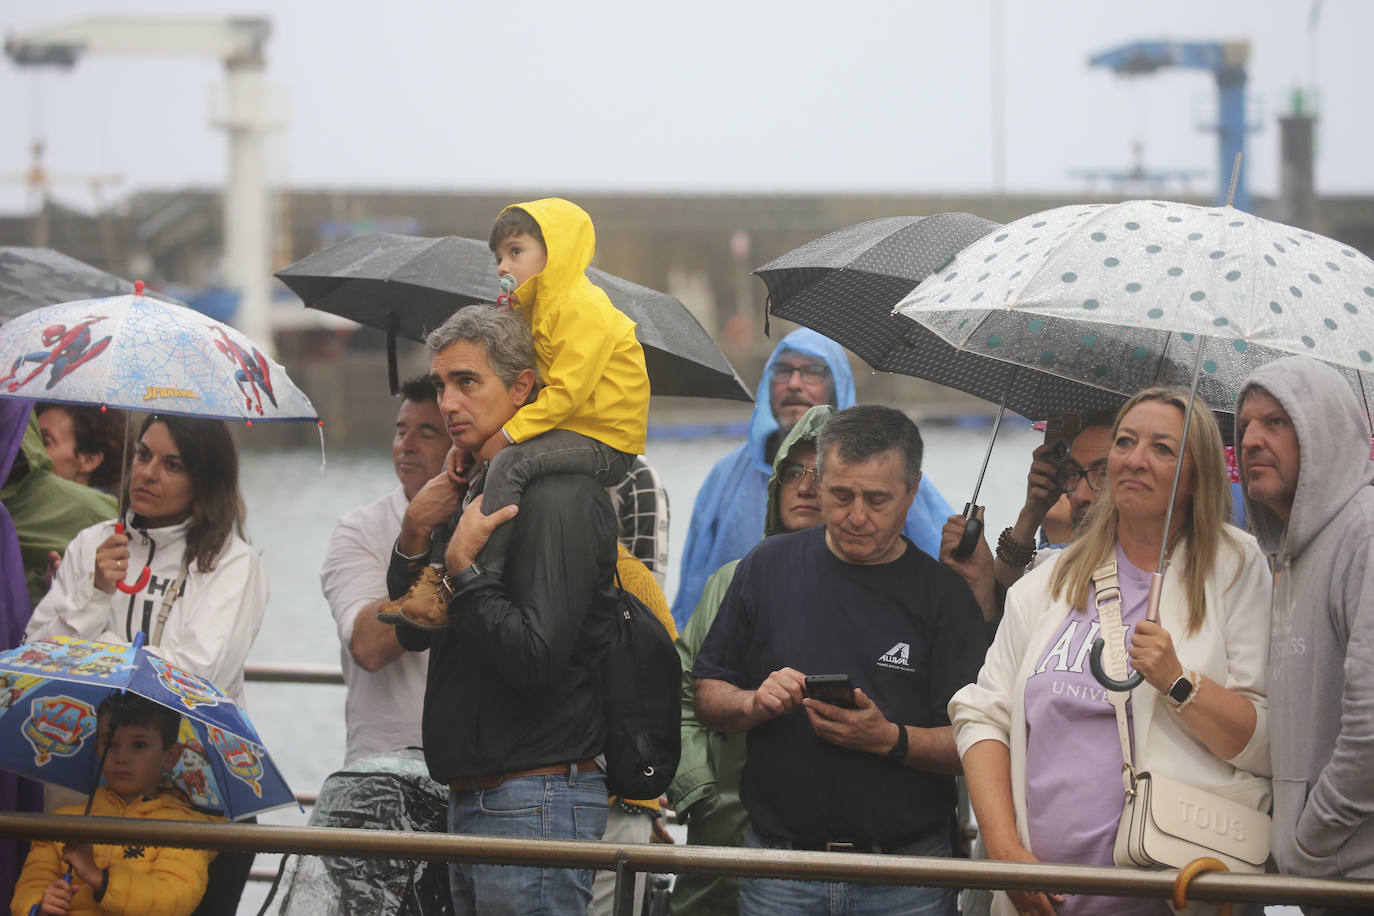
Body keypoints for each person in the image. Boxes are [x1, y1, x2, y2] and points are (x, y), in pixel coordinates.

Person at [950, 387, 1272, 916]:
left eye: (1163, 448)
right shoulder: (1050, 579)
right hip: (1043, 900)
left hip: (1179, 897)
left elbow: (1265, 745)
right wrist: (1006, 855)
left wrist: (1179, 683)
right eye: (1126, 441)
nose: (1136, 459)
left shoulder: (1236, 567)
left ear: (1199, 474)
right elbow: (983, 716)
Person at [693, 404, 987, 915]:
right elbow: (707, 694)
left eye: (877, 500)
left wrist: (890, 739)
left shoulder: (943, 597)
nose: (856, 516)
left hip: (906, 875)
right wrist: (753, 703)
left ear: (912, 492)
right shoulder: (766, 566)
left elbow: (975, 747)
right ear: (818, 484)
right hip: (781, 868)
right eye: (841, 495)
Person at [388, 305, 618, 914]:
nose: (448, 402)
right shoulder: (476, 486)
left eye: (467, 381)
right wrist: (415, 530)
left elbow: (536, 659)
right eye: (441, 385)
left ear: (523, 387)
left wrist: (464, 572)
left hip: (536, 795)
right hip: (480, 794)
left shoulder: (558, 494)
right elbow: (412, 634)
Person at [24, 413, 267, 916]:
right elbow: (41, 659)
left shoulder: (231, 563)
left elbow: (192, 678)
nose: (148, 472)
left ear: (203, 479)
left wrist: (98, 643)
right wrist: (94, 595)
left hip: (191, 797)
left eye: (171, 464)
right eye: (143, 454)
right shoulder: (92, 544)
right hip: (86, 785)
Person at [392, 199, 648, 627]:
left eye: (515, 251)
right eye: (498, 257)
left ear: (556, 251)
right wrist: (418, 523)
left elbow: (564, 392)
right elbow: (411, 642)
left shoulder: (580, 308)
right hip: (573, 427)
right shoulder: (539, 310)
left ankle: (465, 578)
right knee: (497, 460)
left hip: (605, 435)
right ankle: (432, 579)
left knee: (512, 459)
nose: (502, 266)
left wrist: (507, 435)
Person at [672, 328, 952, 628]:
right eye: (783, 371)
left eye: (812, 372)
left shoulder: (885, 475)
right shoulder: (726, 476)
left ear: (838, 386)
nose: (794, 384)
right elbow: (693, 586)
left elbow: (939, 572)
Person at [668, 403, 832, 916]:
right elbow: (678, 696)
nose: (804, 486)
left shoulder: (875, 591)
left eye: (822, 473)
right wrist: (700, 789)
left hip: (830, 839)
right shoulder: (731, 582)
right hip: (725, 829)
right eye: (791, 471)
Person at [1236, 356, 1374, 893]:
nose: (1250, 440)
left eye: (1276, 422)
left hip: (1356, 877)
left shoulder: (1363, 532)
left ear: (1325, 434)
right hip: (1323, 880)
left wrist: (1314, 837)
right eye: (1245, 423)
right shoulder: (1289, 556)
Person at [321, 376, 449, 765]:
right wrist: (452, 568)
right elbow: (367, 646)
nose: (405, 446)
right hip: (380, 761)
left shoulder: (493, 520)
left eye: (426, 433)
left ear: (461, 445)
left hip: (475, 765)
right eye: (400, 431)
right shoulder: (358, 530)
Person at [10, 695, 221, 916]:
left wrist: (96, 876)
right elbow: (28, 890)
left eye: (138, 745)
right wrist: (41, 906)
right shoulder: (62, 823)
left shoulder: (185, 830)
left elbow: (173, 899)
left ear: (170, 756)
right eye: (110, 743)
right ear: (97, 749)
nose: (121, 757)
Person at [941, 416, 1114, 625]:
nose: (1078, 494)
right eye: (1073, 473)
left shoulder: (1153, 581)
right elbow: (995, 635)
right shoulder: (1044, 569)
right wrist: (1031, 512)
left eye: (1103, 474)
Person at [1, 410, 115, 609]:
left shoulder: (106, 519)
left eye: (45, 442)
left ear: (88, 460)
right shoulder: (17, 504)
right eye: (32, 440)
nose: (33, 453)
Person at [34, 403, 126, 493]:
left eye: (46, 442)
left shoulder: (95, 508)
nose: (31, 447)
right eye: (32, 437)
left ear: (88, 460)